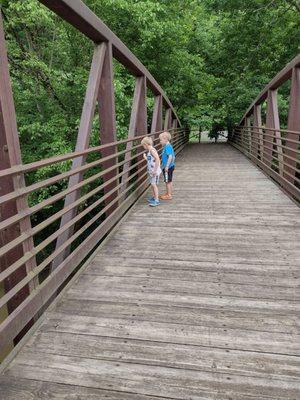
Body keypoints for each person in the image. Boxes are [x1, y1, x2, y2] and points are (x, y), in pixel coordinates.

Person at [141, 136, 161, 207]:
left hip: (154, 172)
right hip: (152, 172)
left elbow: (158, 159)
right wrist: (145, 158)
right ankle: (154, 197)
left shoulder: (152, 150)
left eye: (143, 145)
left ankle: (156, 200)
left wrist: (155, 171)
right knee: (152, 184)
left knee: (154, 185)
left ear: (146, 144)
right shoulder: (149, 151)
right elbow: (150, 161)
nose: (143, 147)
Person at [159, 131, 175, 200]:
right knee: (169, 180)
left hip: (168, 167)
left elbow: (170, 156)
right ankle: (169, 193)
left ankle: (169, 195)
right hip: (170, 166)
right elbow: (174, 157)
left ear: (165, 139)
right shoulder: (168, 146)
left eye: (161, 140)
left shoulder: (167, 146)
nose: (160, 141)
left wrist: (167, 166)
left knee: (167, 181)